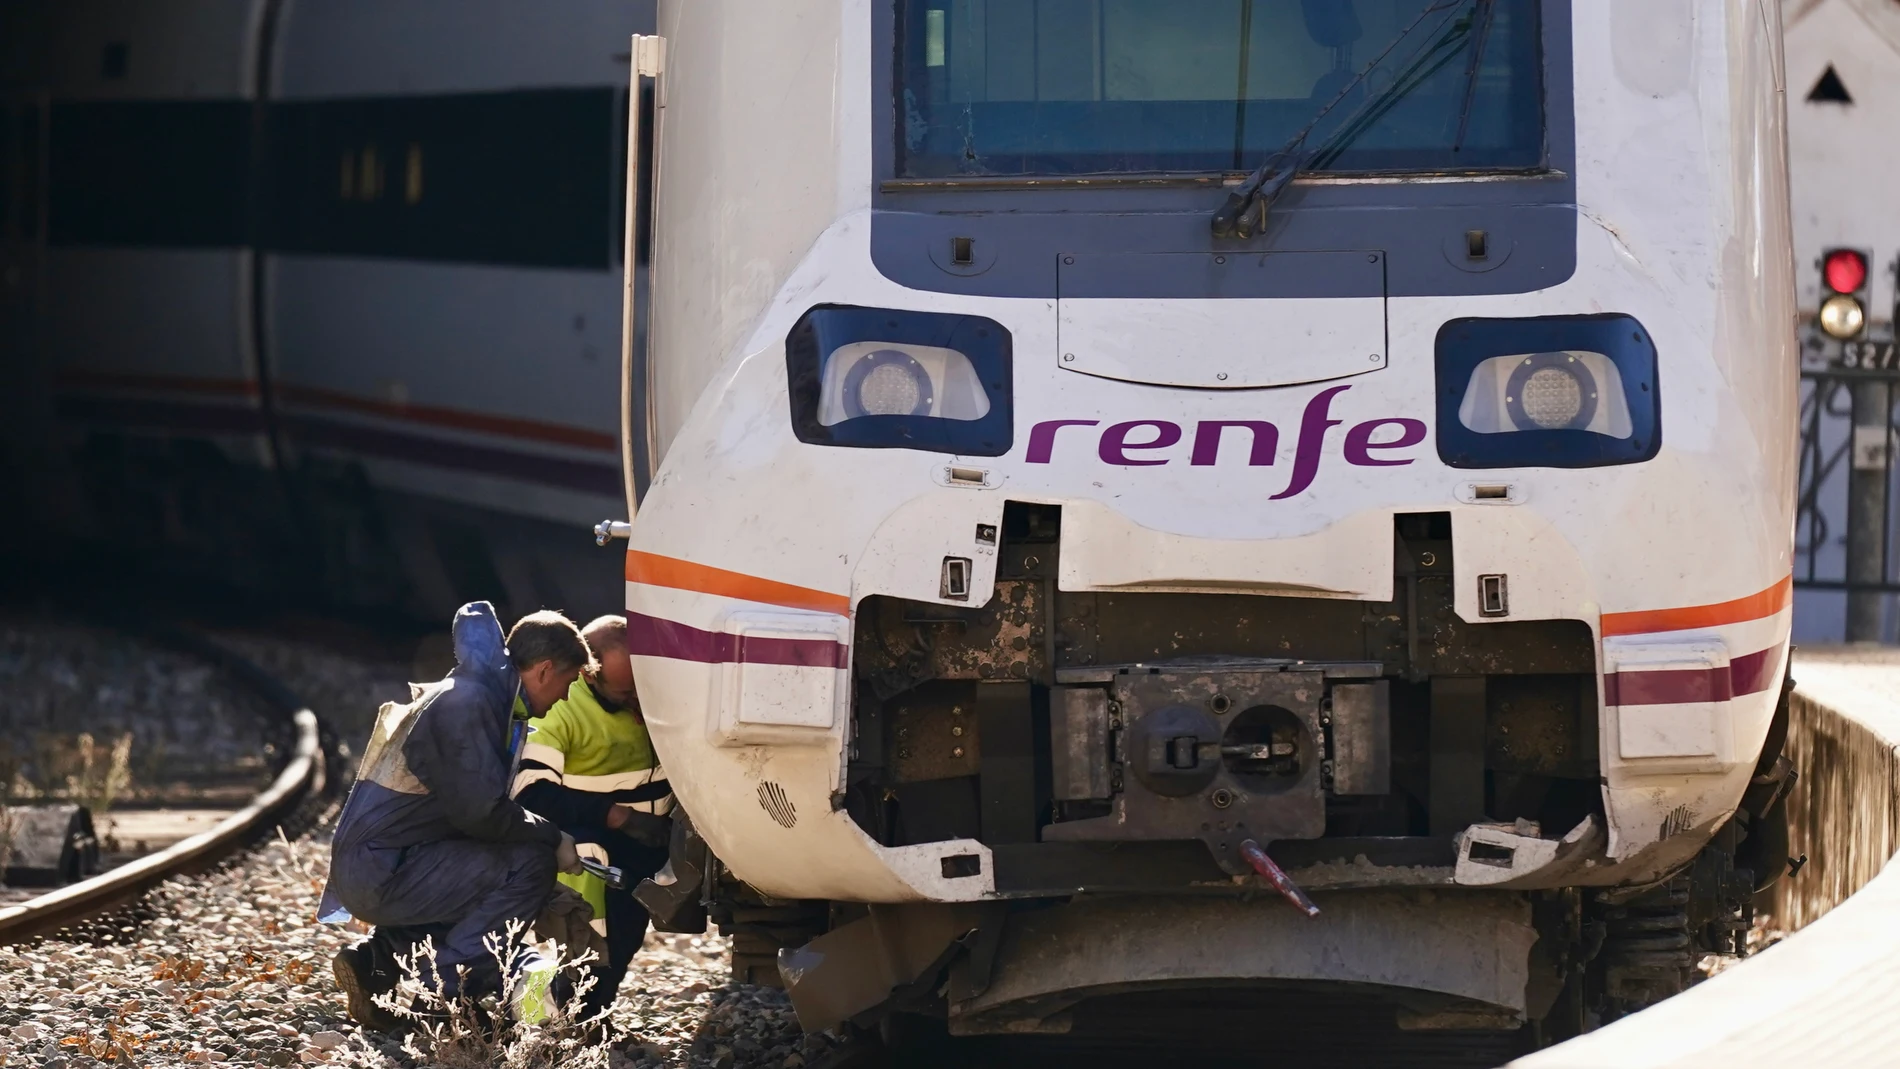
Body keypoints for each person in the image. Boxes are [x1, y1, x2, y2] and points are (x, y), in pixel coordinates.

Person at [323, 603, 592, 1029]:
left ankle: (377, 963)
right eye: (568, 681)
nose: (565, 695)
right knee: (529, 869)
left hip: (384, 860)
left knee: (495, 878)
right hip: (383, 867)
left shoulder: (479, 697)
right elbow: (481, 815)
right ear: (543, 670)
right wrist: (550, 836)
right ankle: (446, 995)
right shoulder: (469, 706)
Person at [512, 613, 673, 1016]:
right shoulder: (558, 709)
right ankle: (546, 1024)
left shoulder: (644, 697)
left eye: (641, 690)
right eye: (624, 693)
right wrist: (619, 817)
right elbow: (531, 793)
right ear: (589, 672)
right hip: (587, 857)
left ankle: (588, 1017)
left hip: (641, 850)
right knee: (583, 946)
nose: (636, 702)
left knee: (622, 941)